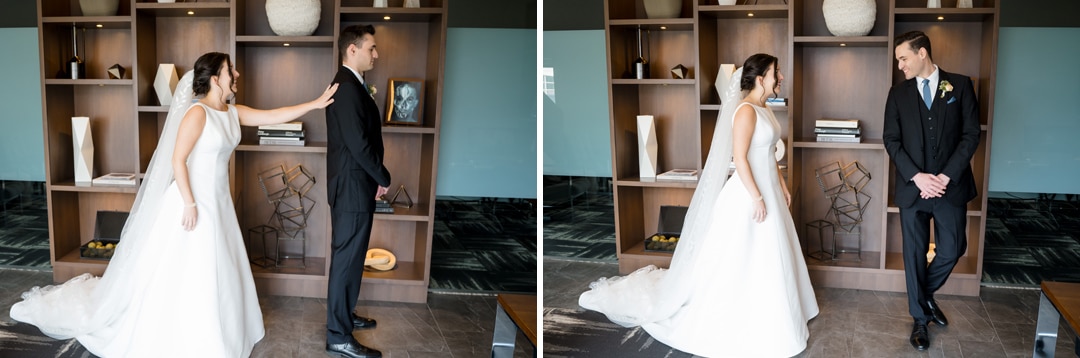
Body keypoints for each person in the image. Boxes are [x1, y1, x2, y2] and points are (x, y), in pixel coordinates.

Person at [8, 52, 336, 357]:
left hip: (218, 202)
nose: (236, 73)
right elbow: (179, 161)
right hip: (191, 201)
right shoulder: (197, 113)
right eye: (230, 70)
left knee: (220, 266)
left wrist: (315, 103)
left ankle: (225, 330)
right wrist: (190, 203)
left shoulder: (232, 112)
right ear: (215, 78)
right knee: (191, 268)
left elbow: (275, 115)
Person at [578, 54, 819, 357]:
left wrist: (782, 187)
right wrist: (757, 197)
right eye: (776, 72)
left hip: (769, 189)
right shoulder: (745, 111)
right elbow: (741, 158)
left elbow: (769, 153)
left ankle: (780, 309)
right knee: (742, 257)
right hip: (749, 194)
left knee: (774, 254)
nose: (780, 77)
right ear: (761, 78)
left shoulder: (765, 108)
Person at [884, 31, 980, 351]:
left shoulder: (961, 86)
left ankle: (923, 297)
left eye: (903, 58)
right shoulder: (897, 94)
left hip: (949, 188)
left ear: (922, 53)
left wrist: (944, 177)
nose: (900, 65)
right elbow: (891, 141)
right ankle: (920, 321)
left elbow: (970, 135)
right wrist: (917, 177)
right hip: (913, 191)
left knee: (953, 248)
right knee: (913, 255)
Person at [324, 24, 391, 358]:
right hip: (351, 187)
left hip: (355, 185)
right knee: (346, 261)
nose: (376, 54)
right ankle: (337, 335)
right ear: (352, 49)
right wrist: (384, 176)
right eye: (371, 48)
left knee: (351, 260)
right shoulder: (347, 87)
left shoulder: (353, 85)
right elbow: (358, 144)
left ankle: (344, 316)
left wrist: (374, 178)